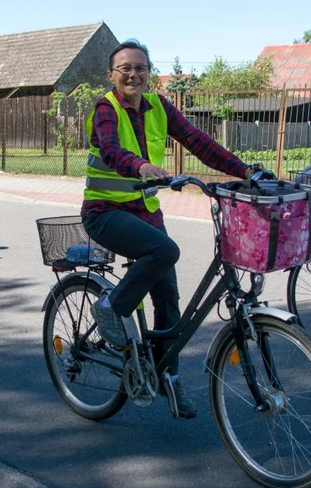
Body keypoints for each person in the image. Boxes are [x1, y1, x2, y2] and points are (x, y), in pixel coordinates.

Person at [82, 40, 254, 419]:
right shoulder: (104, 108)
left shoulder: (159, 106)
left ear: (148, 73)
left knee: (169, 299)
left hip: (145, 212)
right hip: (104, 211)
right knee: (165, 251)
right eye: (124, 67)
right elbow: (110, 148)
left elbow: (198, 141)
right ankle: (111, 307)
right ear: (111, 75)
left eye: (140, 67)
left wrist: (246, 172)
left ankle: (169, 377)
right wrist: (141, 166)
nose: (133, 74)